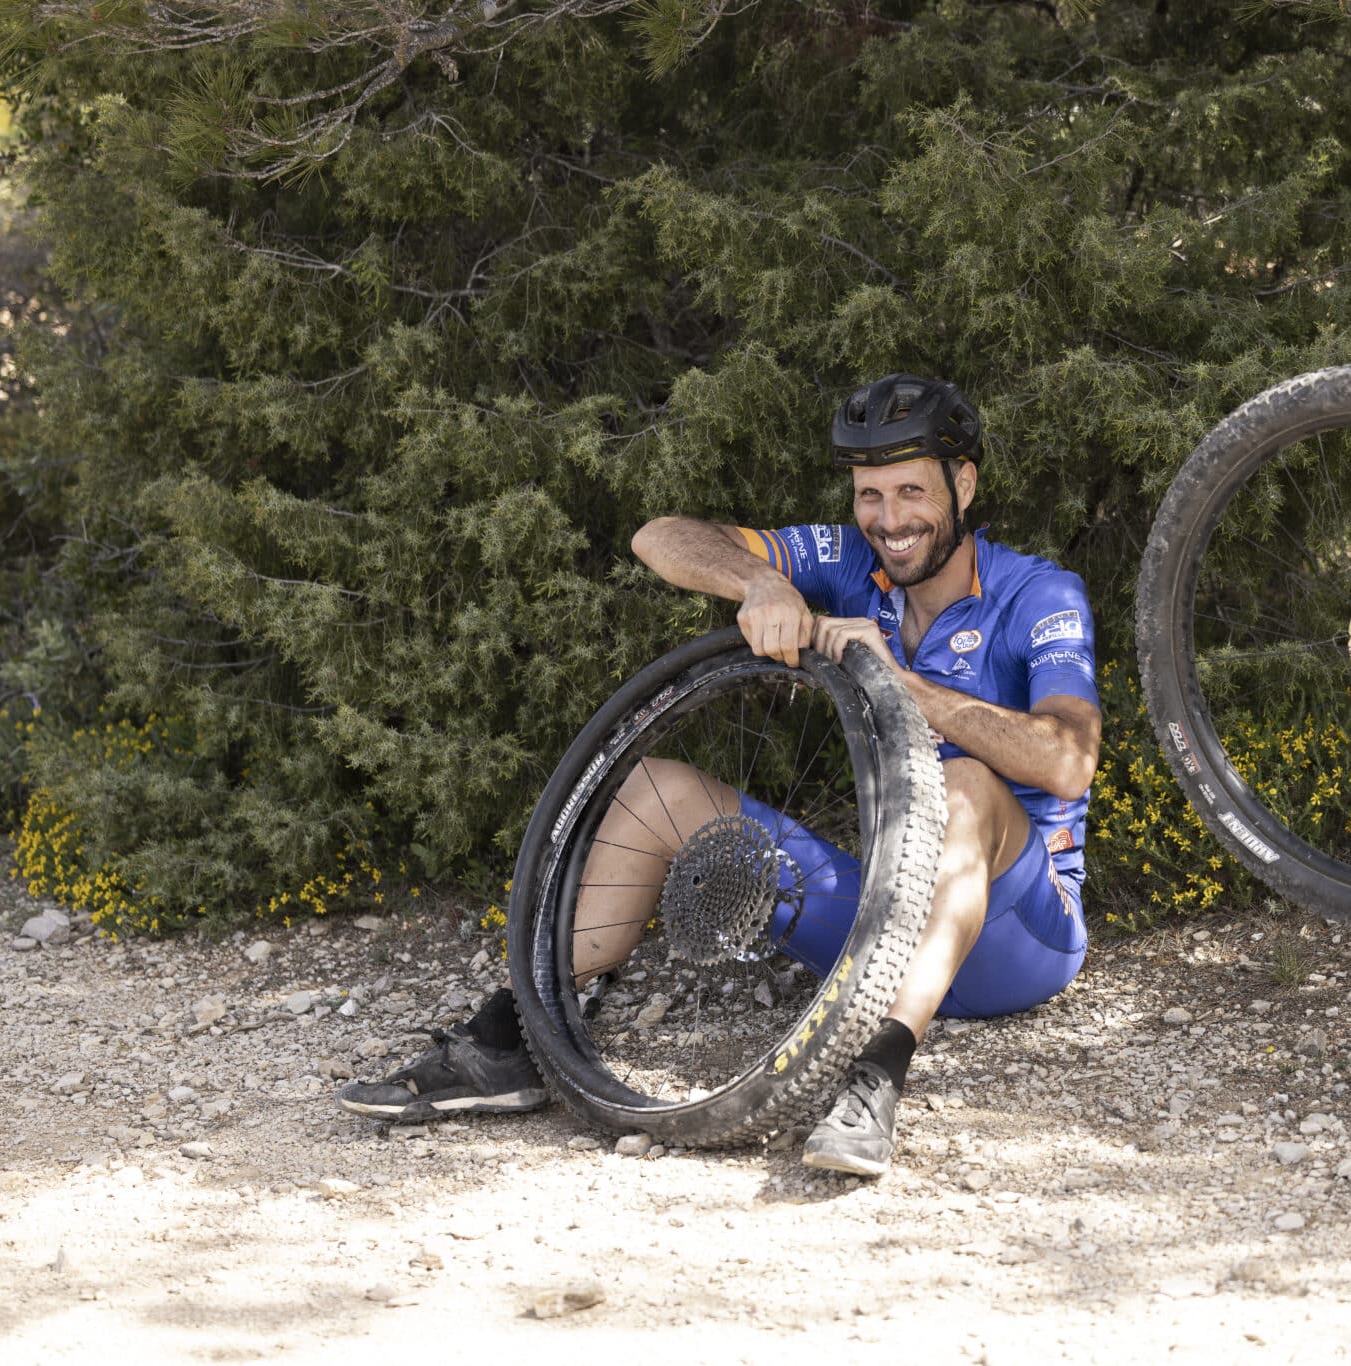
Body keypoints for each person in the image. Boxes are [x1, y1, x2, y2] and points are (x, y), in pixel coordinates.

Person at [337, 373, 1102, 1178]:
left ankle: (875, 1076)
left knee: (966, 787)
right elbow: (661, 536)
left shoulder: (1037, 593)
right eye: (869, 495)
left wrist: (905, 686)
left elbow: (1067, 760)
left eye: (912, 491)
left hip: (1020, 938)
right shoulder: (853, 562)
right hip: (887, 921)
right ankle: (517, 1036)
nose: (889, 519)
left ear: (964, 485)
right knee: (655, 790)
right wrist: (760, 582)